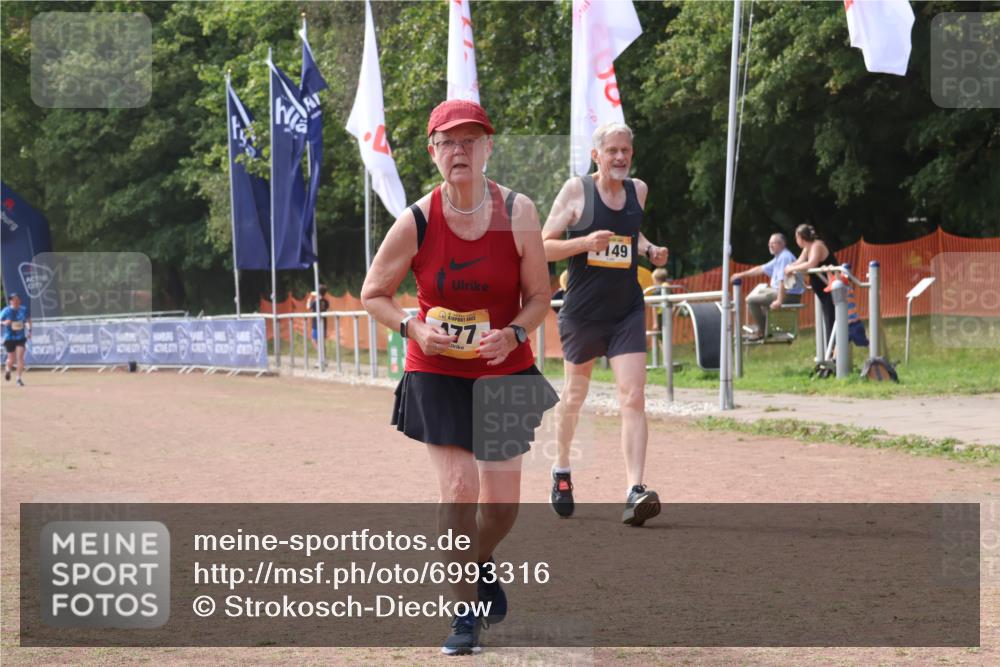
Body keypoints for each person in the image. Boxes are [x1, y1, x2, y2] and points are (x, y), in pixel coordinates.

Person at [360, 99, 556, 655]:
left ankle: (476, 559)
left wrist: (514, 333)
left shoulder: (519, 212)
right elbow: (375, 294)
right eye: (448, 142)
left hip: (504, 370)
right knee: (459, 490)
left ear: (489, 147)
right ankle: (464, 612)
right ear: (433, 153)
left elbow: (540, 297)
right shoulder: (418, 220)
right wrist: (413, 330)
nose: (460, 150)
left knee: (500, 510)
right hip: (437, 370)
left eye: (471, 140)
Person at [541, 121, 669, 527]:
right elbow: (542, 245)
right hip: (582, 313)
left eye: (625, 151)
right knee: (574, 396)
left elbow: (631, 233)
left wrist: (650, 249)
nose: (619, 158)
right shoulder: (576, 191)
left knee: (633, 396)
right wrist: (582, 243)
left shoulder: (639, 191)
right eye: (611, 151)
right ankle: (561, 470)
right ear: (596, 155)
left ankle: (634, 489)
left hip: (626, 309)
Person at [731, 233, 805, 340]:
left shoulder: (785, 257)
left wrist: (779, 300)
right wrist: (741, 274)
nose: (770, 246)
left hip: (788, 295)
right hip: (782, 291)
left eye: (773, 243)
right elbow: (761, 269)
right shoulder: (779, 257)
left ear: (782, 244)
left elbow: (782, 280)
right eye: (769, 243)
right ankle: (766, 327)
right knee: (759, 292)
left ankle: (763, 331)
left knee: (751, 300)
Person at [784, 223, 839, 344]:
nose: (795, 240)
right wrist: (789, 267)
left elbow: (811, 264)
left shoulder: (817, 245)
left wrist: (792, 269)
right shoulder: (807, 248)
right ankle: (831, 353)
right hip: (823, 290)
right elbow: (799, 262)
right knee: (828, 319)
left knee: (831, 319)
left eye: (796, 237)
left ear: (800, 237)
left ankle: (834, 355)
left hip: (831, 288)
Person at [1, 293, 30, 386]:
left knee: (20, 357)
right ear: (10, 301)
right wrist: (5, 322)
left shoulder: (23, 309)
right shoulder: (6, 310)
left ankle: (18, 379)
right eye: (13, 299)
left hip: (20, 337)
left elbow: (28, 321)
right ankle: (8, 370)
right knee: (11, 359)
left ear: (20, 301)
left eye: (17, 299)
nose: (16, 301)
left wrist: (30, 330)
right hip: (9, 337)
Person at [305, 285, 329, 350]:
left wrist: (309, 299)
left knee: (314, 340)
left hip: (316, 324)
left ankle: (321, 354)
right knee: (322, 341)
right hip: (324, 323)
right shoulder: (326, 301)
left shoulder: (315, 301)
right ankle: (324, 356)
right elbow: (327, 309)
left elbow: (308, 307)